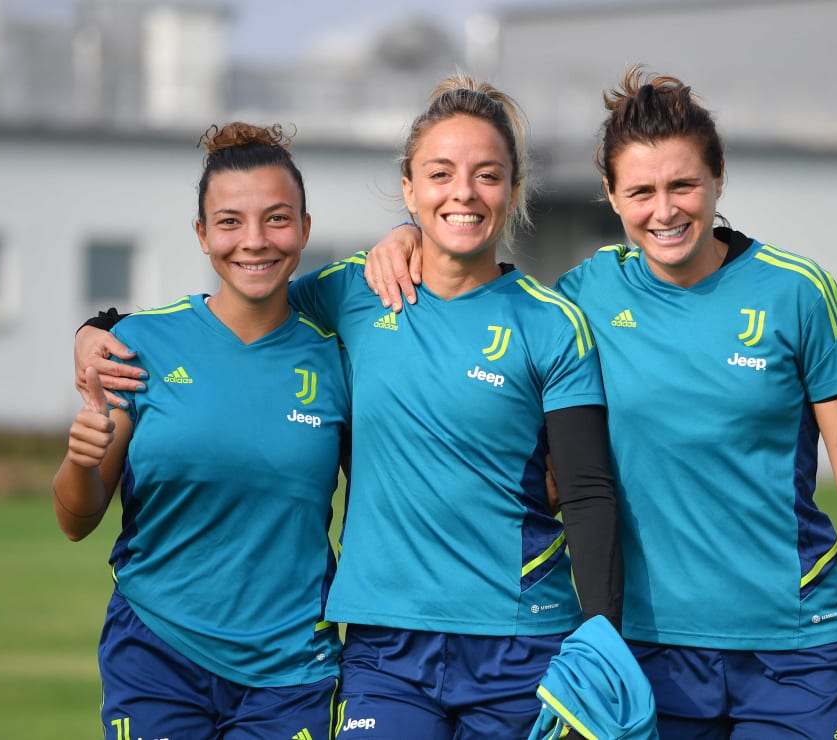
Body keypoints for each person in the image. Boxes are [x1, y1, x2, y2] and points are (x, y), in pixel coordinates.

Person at [365, 67, 837, 738]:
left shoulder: (797, 292)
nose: (665, 211)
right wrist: (407, 238)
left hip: (795, 643)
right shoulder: (581, 298)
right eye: (641, 192)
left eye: (683, 185)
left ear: (719, 177)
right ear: (611, 194)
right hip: (646, 650)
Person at [73, 75, 623, 739]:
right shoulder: (353, 291)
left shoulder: (552, 322)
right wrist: (99, 328)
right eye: (440, 174)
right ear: (408, 188)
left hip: (518, 638)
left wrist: (602, 638)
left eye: (487, 175)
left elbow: (586, 491)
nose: (464, 192)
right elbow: (244, 301)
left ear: (513, 188)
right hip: (383, 646)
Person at [53, 122, 349, 740]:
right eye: (230, 222)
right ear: (202, 234)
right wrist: (80, 461)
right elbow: (77, 521)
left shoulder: (339, 357)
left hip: (291, 670)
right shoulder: (139, 343)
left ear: (304, 228)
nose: (254, 241)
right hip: (155, 652)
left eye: (276, 219)